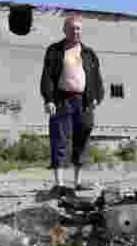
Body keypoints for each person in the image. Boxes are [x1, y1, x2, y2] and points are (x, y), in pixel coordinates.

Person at [39, 14, 105, 194]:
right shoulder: (54, 51)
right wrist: (49, 99)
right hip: (61, 100)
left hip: (83, 102)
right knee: (59, 139)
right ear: (65, 30)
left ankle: (77, 182)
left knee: (81, 140)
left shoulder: (89, 53)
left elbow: (97, 80)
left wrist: (96, 98)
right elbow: (48, 78)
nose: (76, 31)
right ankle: (59, 184)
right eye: (72, 28)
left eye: (78, 28)